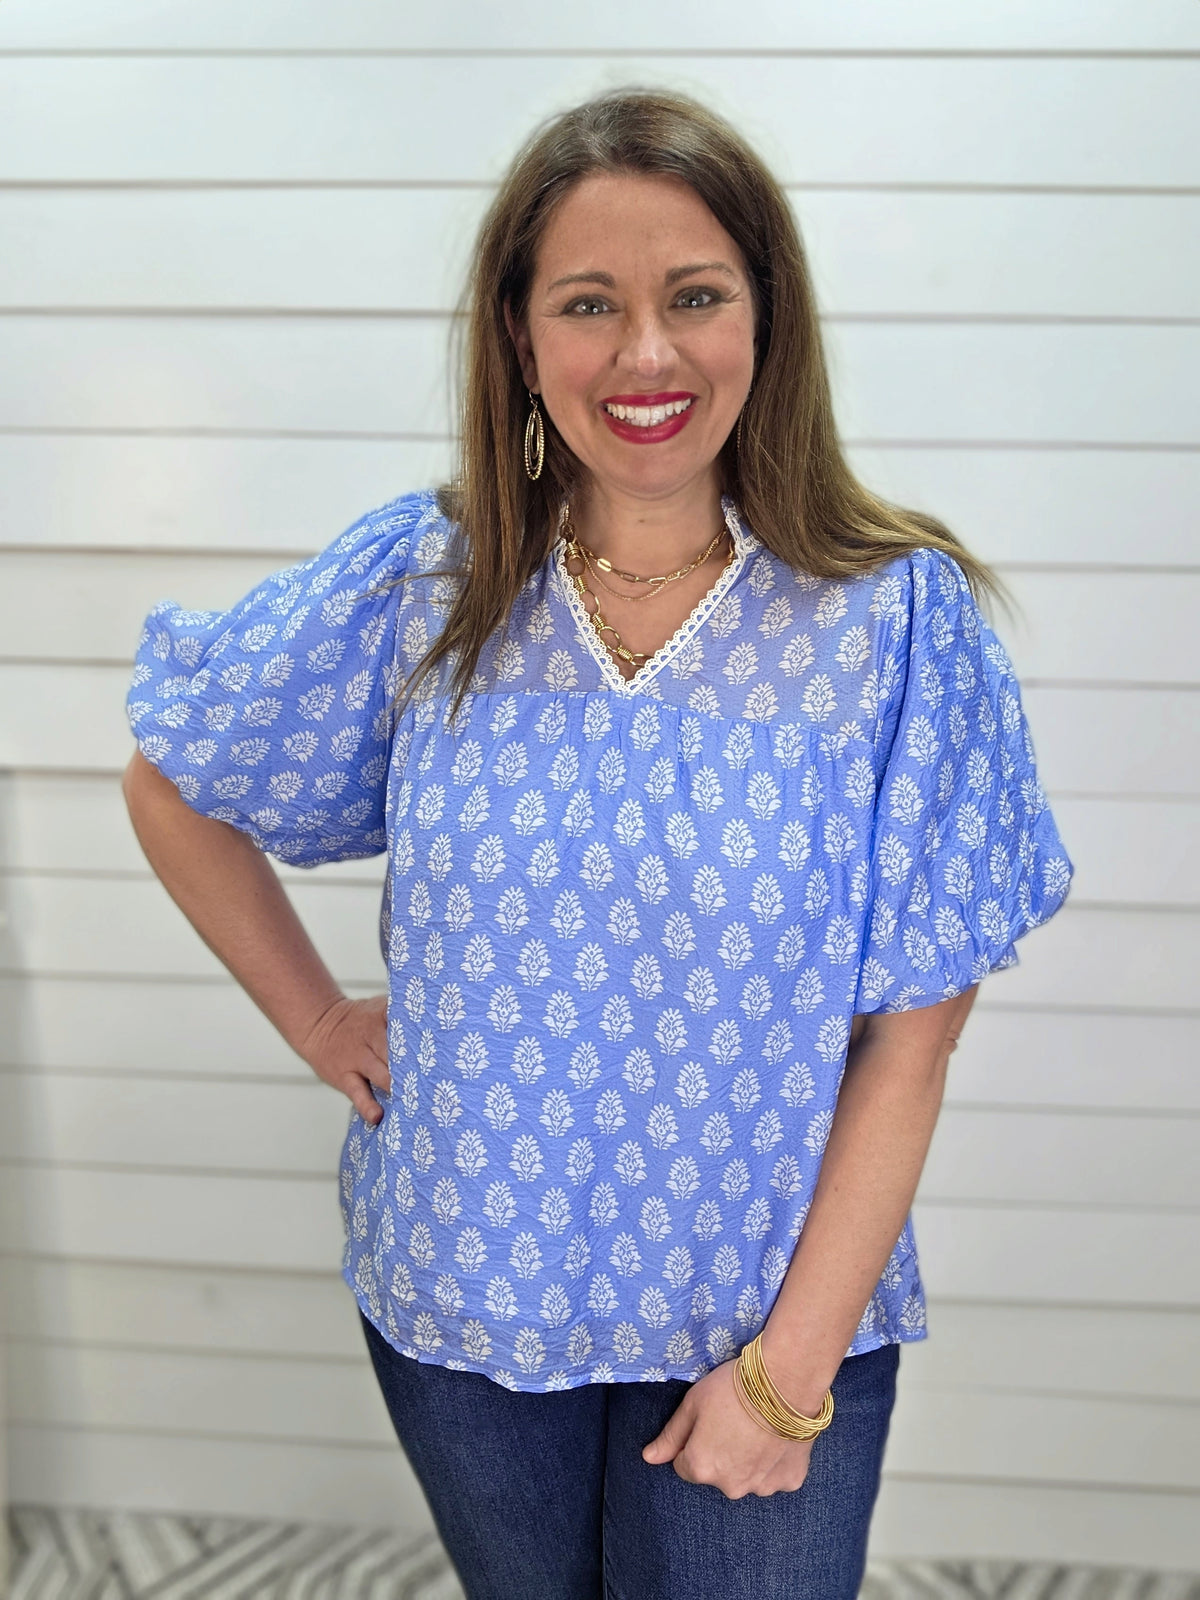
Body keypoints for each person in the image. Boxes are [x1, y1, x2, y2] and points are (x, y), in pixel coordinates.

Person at [122, 87, 1074, 1600]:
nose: (646, 353)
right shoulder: (425, 584)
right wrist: (315, 1015)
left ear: (767, 318)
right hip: (467, 1305)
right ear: (521, 337)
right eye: (590, 303)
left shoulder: (896, 624)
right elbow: (175, 776)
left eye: (695, 296)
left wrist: (786, 1377)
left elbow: (913, 1040)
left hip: (764, 1318)